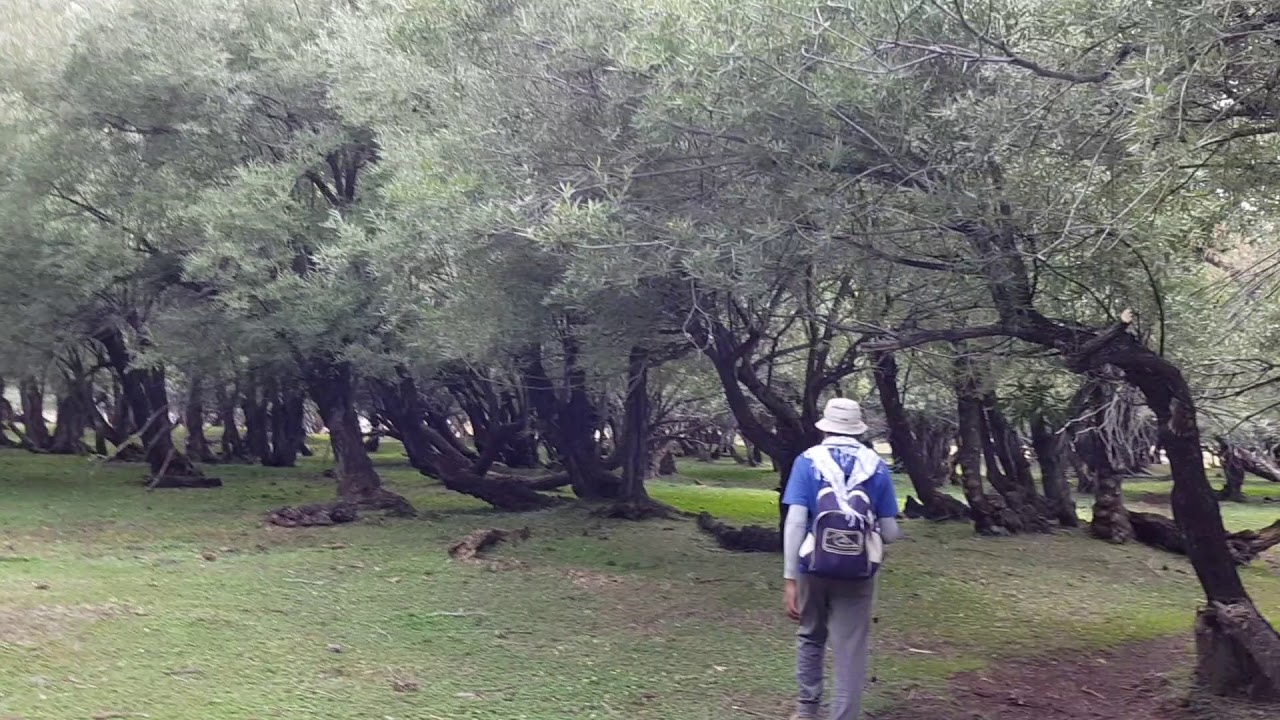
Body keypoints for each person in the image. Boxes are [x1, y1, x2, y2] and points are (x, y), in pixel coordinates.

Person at [781, 398, 902, 720]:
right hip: (858, 572)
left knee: (811, 635)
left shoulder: (807, 462)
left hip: (812, 567)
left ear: (825, 428)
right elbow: (890, 532)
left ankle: (807, 711)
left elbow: (795, 523)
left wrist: (790, 578)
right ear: (858, 429)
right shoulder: (877, 467)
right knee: (850, 648)